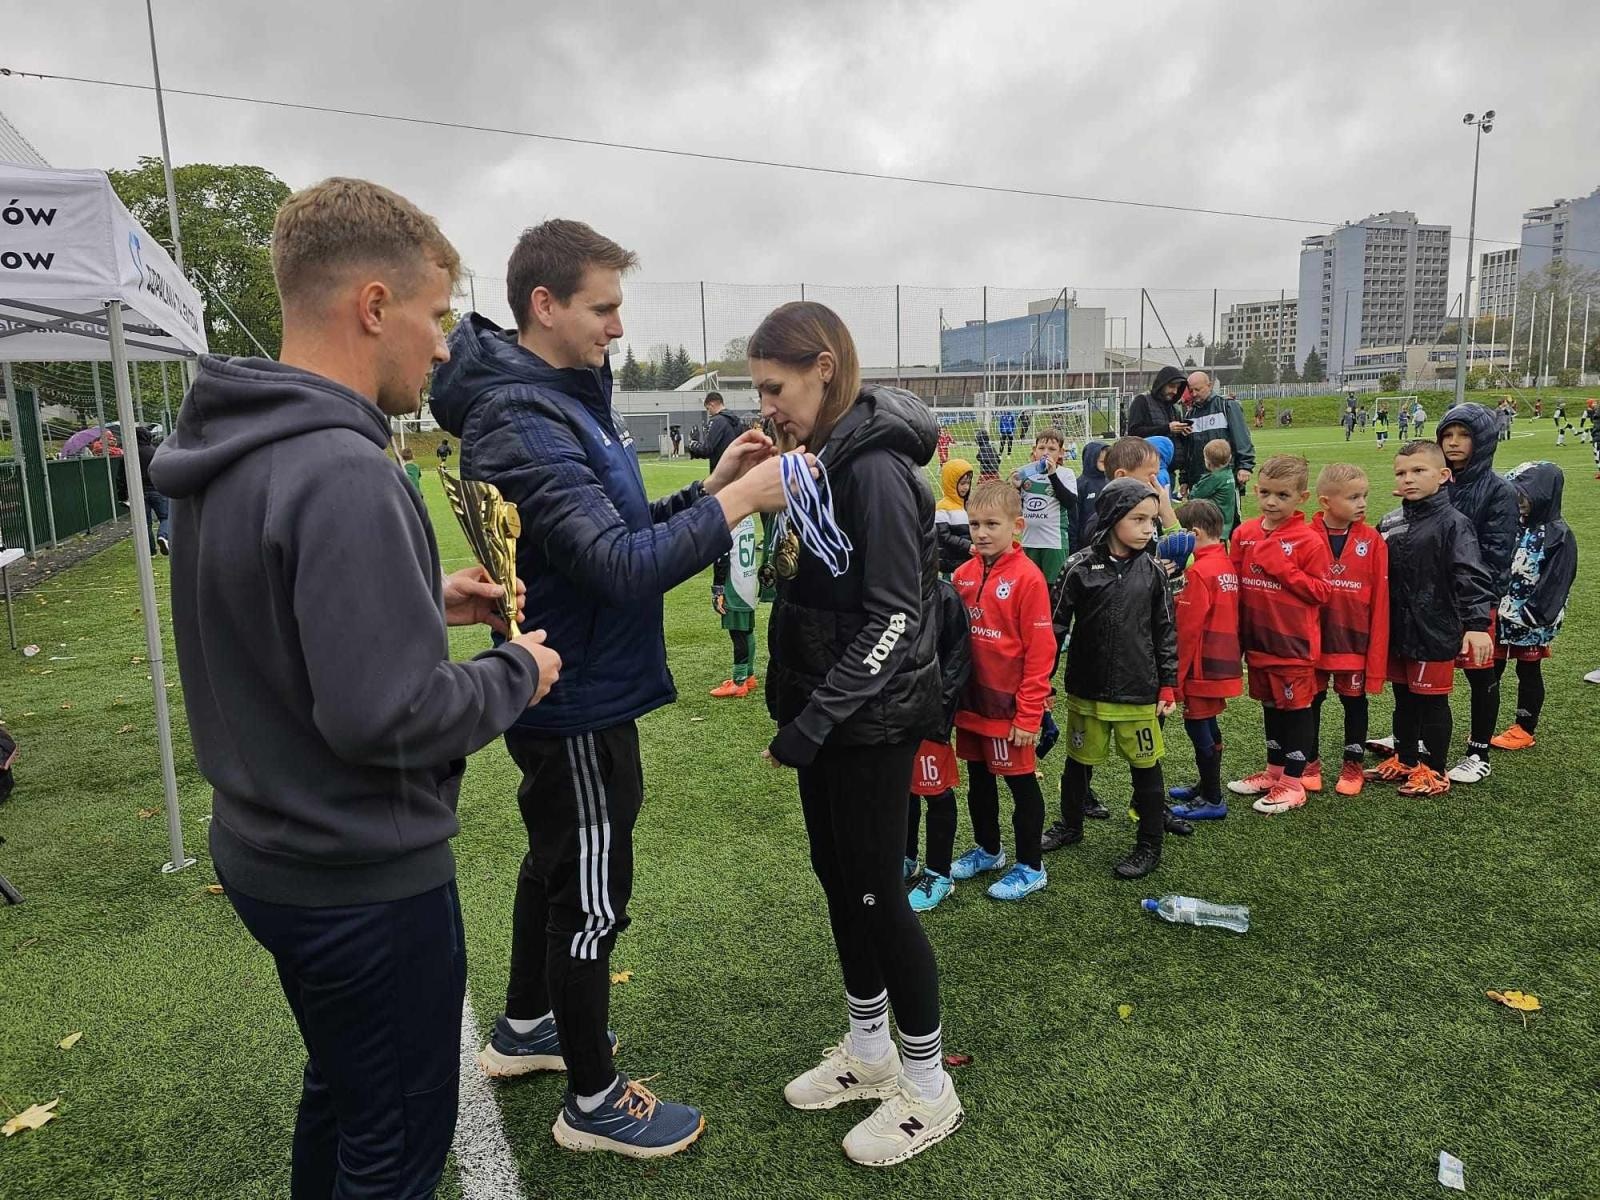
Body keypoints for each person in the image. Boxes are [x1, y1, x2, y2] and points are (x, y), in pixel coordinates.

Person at [149, 177, 561, 1198]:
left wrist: (417, 594)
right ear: (373, 306)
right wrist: (518, 670)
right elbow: (386, 717)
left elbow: (265, 605)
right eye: (432, 317)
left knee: (343, 1098)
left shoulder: (238, 440)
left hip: (267, 847)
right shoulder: (342, 467)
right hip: (355, 878)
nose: (441, 347)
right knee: (396, 1149)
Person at [432, 219, 795, 1157]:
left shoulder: (552, 397)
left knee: (554, 858)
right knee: (591, 886)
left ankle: (526, 1028)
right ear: (543, 306)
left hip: (573, 677)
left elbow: (616, 531)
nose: (619, 327)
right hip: (576, 692)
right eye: (604, 307)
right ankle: (592, 1102)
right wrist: (740, 503)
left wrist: (708, 487)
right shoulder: (520, 415)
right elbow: (622, 568)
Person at [752, 301, 962, 1167]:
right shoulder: (818, 459)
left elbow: (892, 623)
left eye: (776, 386)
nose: (767, 403)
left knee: (877, 891)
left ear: (824, 370)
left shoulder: (874, 472)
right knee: (839, 878)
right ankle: (869, 1053)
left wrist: (815, 721)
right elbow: (805, 587)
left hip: (868, 722)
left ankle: (929, 1087)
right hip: (828, 713)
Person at [1046, 479, 1178, 879]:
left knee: (1146, 766)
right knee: (1078, 763)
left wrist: (1167, 683)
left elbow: (1166, 632)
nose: (1147, 529)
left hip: (1138, 689)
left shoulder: (1155, 571)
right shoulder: (1078, 567)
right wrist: (1041, 680)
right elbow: (1054, 627)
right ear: (1112, 518)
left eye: (1152, 521)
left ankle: (1149, 843)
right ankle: (1070, 825)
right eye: (1138, 519)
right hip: (1087, 686)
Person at [1365, 441, 1495, 795]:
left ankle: (1434, 769)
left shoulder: (1455, 523)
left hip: (1435, 630)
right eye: (1401, 472)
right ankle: (1405, 758)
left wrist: (1477, 625)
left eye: (1418, 471)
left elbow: (1471, 575)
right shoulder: (1389, 521)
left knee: (1433, 701)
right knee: (1403, 698)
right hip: (1398, 631)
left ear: (1443, 475)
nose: (1408, 479)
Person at [948, 481, 1056, 902]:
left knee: (1021, 784)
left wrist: (1029, 716)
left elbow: (1040, 654)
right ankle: (989, 849)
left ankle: (1031, 866)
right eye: (974, 523)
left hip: (1010, 712)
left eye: (992, 523)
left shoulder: (1028, 579)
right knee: (978, 780)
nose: (981, 532)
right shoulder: (962, 574)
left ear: (1017, 526)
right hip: (972, 705)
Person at [1225, 455, 1333, 814]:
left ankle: (1294, 782)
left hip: (1293, 644)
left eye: (1282, 495)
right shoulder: (1244, 534)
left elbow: (1322, 592)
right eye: (1266, 493)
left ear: (1302, 498)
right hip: (1258, 642)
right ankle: (1274, 772)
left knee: (1296, 709)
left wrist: (1283, 569)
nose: (1272, 502)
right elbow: (1236, 585)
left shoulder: (1309, 541)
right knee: (1271, 706)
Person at [1435, 405, 1520, 785]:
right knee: (1426, 671)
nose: (1453, 442)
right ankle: (1418, 736)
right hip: (1432, 598)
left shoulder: (1499, 491)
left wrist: (1482, 607)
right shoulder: (1436, 480)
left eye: (1463, 435)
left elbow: (1498, 553)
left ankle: (1478, 750)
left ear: (1481, 440)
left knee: (1480, 675)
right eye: (1447, 434)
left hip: (1473, 599)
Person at [1308, 464, 1388, 797]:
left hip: (1354, 641)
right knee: (1310, 701)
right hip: (1313, 641)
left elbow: (1381, 598)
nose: (1362, 503)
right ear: (1326, 501)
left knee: (1354, 703)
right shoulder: (1304, 536)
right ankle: (1308, 762)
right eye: (1353, 497)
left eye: (1364, 496)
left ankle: (1352, 763)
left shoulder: (1372, 540)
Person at [1489, 461, 1577, 752]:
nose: (1519, 504)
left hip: (1531, 621)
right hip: (1501, 616)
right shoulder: (1512, 527)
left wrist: (1534, 614)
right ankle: (1485, 723)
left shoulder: (1558, 534)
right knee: (1491, 669)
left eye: (1524, 497)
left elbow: (1557, 580)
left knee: (1528, 670)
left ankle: (1525, 727)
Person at [1166, 499, 1242, 822]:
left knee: (1198, 725)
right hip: (1222, 661)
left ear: (1193, 534)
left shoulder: (1197, 572)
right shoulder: (1224, 564)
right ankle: (1206, 786)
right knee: (1208, 722)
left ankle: (1213, 797)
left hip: (1200, 666)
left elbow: (1187, 629)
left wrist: (1175, 678)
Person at [905, 575, 973, 913]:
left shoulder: (943, 595)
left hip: (929, 716)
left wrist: (937, 713)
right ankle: (905, 858)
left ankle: (939, 874)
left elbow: (958, 658)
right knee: (901, 788)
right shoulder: (879, 584)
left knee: (935, 791)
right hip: (890, 716)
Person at [709, 510, 768, 698]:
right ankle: (748, 676)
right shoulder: (747, 515)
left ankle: (739, 681)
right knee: (747, 630)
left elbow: (722, 557)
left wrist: (718, 588)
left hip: (734, 584)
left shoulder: (728, 518)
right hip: (749, 579)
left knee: (738, 633)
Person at [1014, 428, 1078, 581]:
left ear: (1061, 452)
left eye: (1052, 449)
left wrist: (1052, 475)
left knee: (1053, 586)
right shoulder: (1025, 474)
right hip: (1029, 541)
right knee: (1029, 584)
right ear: (1034, 450)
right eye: (1041, 448)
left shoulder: (1065, 474)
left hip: (1053, 542)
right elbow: (1015, 509)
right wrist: (1015, 487)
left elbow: (1070, 502)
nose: (1045, 453)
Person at [1178, 371, 1255, 494]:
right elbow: (1188, 450)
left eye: (1198, 389)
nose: (1194, 394)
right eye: (1191, 391)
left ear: (1209, 385)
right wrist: (1184, 479)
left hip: (1224, 480)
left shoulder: (1227, 406)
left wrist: (1245, 466)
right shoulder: (1190, 415)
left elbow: (1242, 438)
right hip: (1197, 482)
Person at [1188, 438, 1240, 539]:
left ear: (1207, 461)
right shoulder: (1228, 473)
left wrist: (1194, 487)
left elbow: (1195, 495)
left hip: (1213, 523)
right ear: (1229, 458)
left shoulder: (1215, 478)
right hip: (1225, 521)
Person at [1125, 365, 1191, 443]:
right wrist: (1167, 428)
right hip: (1152, 453)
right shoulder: (1141, 401)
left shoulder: (1173, 407)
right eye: (1171, 386)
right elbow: (1134, 432)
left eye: (1178, 388)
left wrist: (1182, 433)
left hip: (1174, 454)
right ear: (1161, 384)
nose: (1175, 392)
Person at [134, 424, 170, 556]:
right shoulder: (155, 452)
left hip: (138, 491)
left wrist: (123, 495)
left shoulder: (131, 454)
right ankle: (163, 535)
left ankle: (150, 551)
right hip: (156, 488)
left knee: (145, 522)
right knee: (166, 516)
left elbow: (121, 475)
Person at [934, 457, 973, 576]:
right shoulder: (943, 507)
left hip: (967, 561)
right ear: (951, 483)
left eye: (968, 483)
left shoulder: (968, 505)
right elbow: (943, 536)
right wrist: (968, 546)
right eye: (962, 483)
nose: (966, 487)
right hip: (949, 564)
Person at [1071, 439, 1110, 550]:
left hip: (1108, 540)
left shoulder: (1112, 481)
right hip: (1086, 543)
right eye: (1103, 462)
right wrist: (1073, 546)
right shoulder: (1080, 485)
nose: (1106, 465)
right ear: (1091, 460)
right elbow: (1073, 518)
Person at [696, 391, 744, 468]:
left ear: (712, 404)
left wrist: (694, 444)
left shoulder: (716, 420)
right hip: (736, 467)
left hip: (720, 468)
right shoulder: (737, 420)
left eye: (708, 409)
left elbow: (707, 449)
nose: (709, 413)